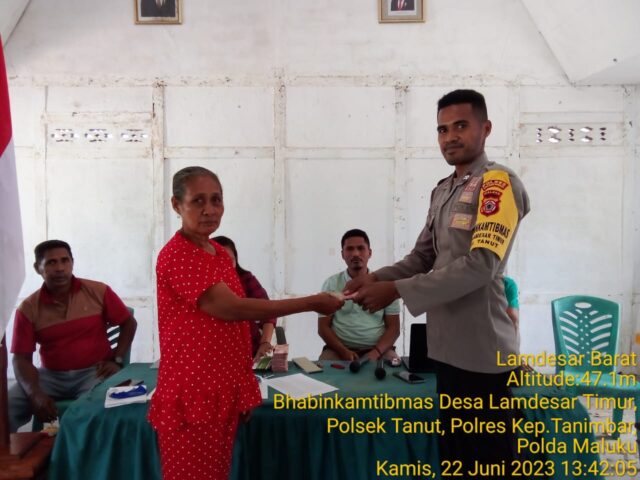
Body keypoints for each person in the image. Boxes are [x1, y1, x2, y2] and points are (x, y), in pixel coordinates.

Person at [345, 90, 530, 475]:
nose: (450, 137)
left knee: (490, 463)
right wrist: (373, 278)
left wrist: (395, 290)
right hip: (445, 350)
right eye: (442, 129)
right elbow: (422, 257)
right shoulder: (443, 189)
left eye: (461, 126)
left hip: (482, 354)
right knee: (456, 459)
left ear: (486, 128)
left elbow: (482, 265)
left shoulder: (496, 184)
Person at [148, 166, 343, 480]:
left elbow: (235, 330)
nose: (210, 210)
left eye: (216, 200)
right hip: (195, 394)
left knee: (216, 473)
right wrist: (310, 303)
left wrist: (242, 387)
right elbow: (233, 309)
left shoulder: (218, 253)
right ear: (176, 205)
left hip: (221, 391)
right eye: (198, 201)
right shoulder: (178, 255)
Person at [9, 240, 137, 432]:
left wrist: (117, 360)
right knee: (7, 404)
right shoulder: (28, 308)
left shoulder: (98, 291)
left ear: (72, 262)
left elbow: (129, 323)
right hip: (50, 376)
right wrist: (34, 393)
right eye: (51, 262)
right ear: (38, 268)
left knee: (95, 408)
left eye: (65, 260)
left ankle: (80, 449)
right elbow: (21, 359)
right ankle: (9, 451)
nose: (60, 268)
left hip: (94, 372)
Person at [318, 229, 400, 363]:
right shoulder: (331, 284)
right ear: (342, 254)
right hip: (338, 350)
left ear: (370, 253)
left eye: (361, 248)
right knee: (325, 370)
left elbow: (394, 328)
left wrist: (375, 353)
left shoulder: (385, 285)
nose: (355, 253)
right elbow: (323, 328)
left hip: (379, 350)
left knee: (394, 369)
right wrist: (343, 351)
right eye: (349, 249)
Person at [212, 235, 276, 362]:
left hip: (249, 350)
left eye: (230, 260)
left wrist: (265, 343)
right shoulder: (204, 284)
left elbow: (268, 311)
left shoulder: (245, 279)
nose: (226, 266)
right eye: (220, 260)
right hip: (214, 352)